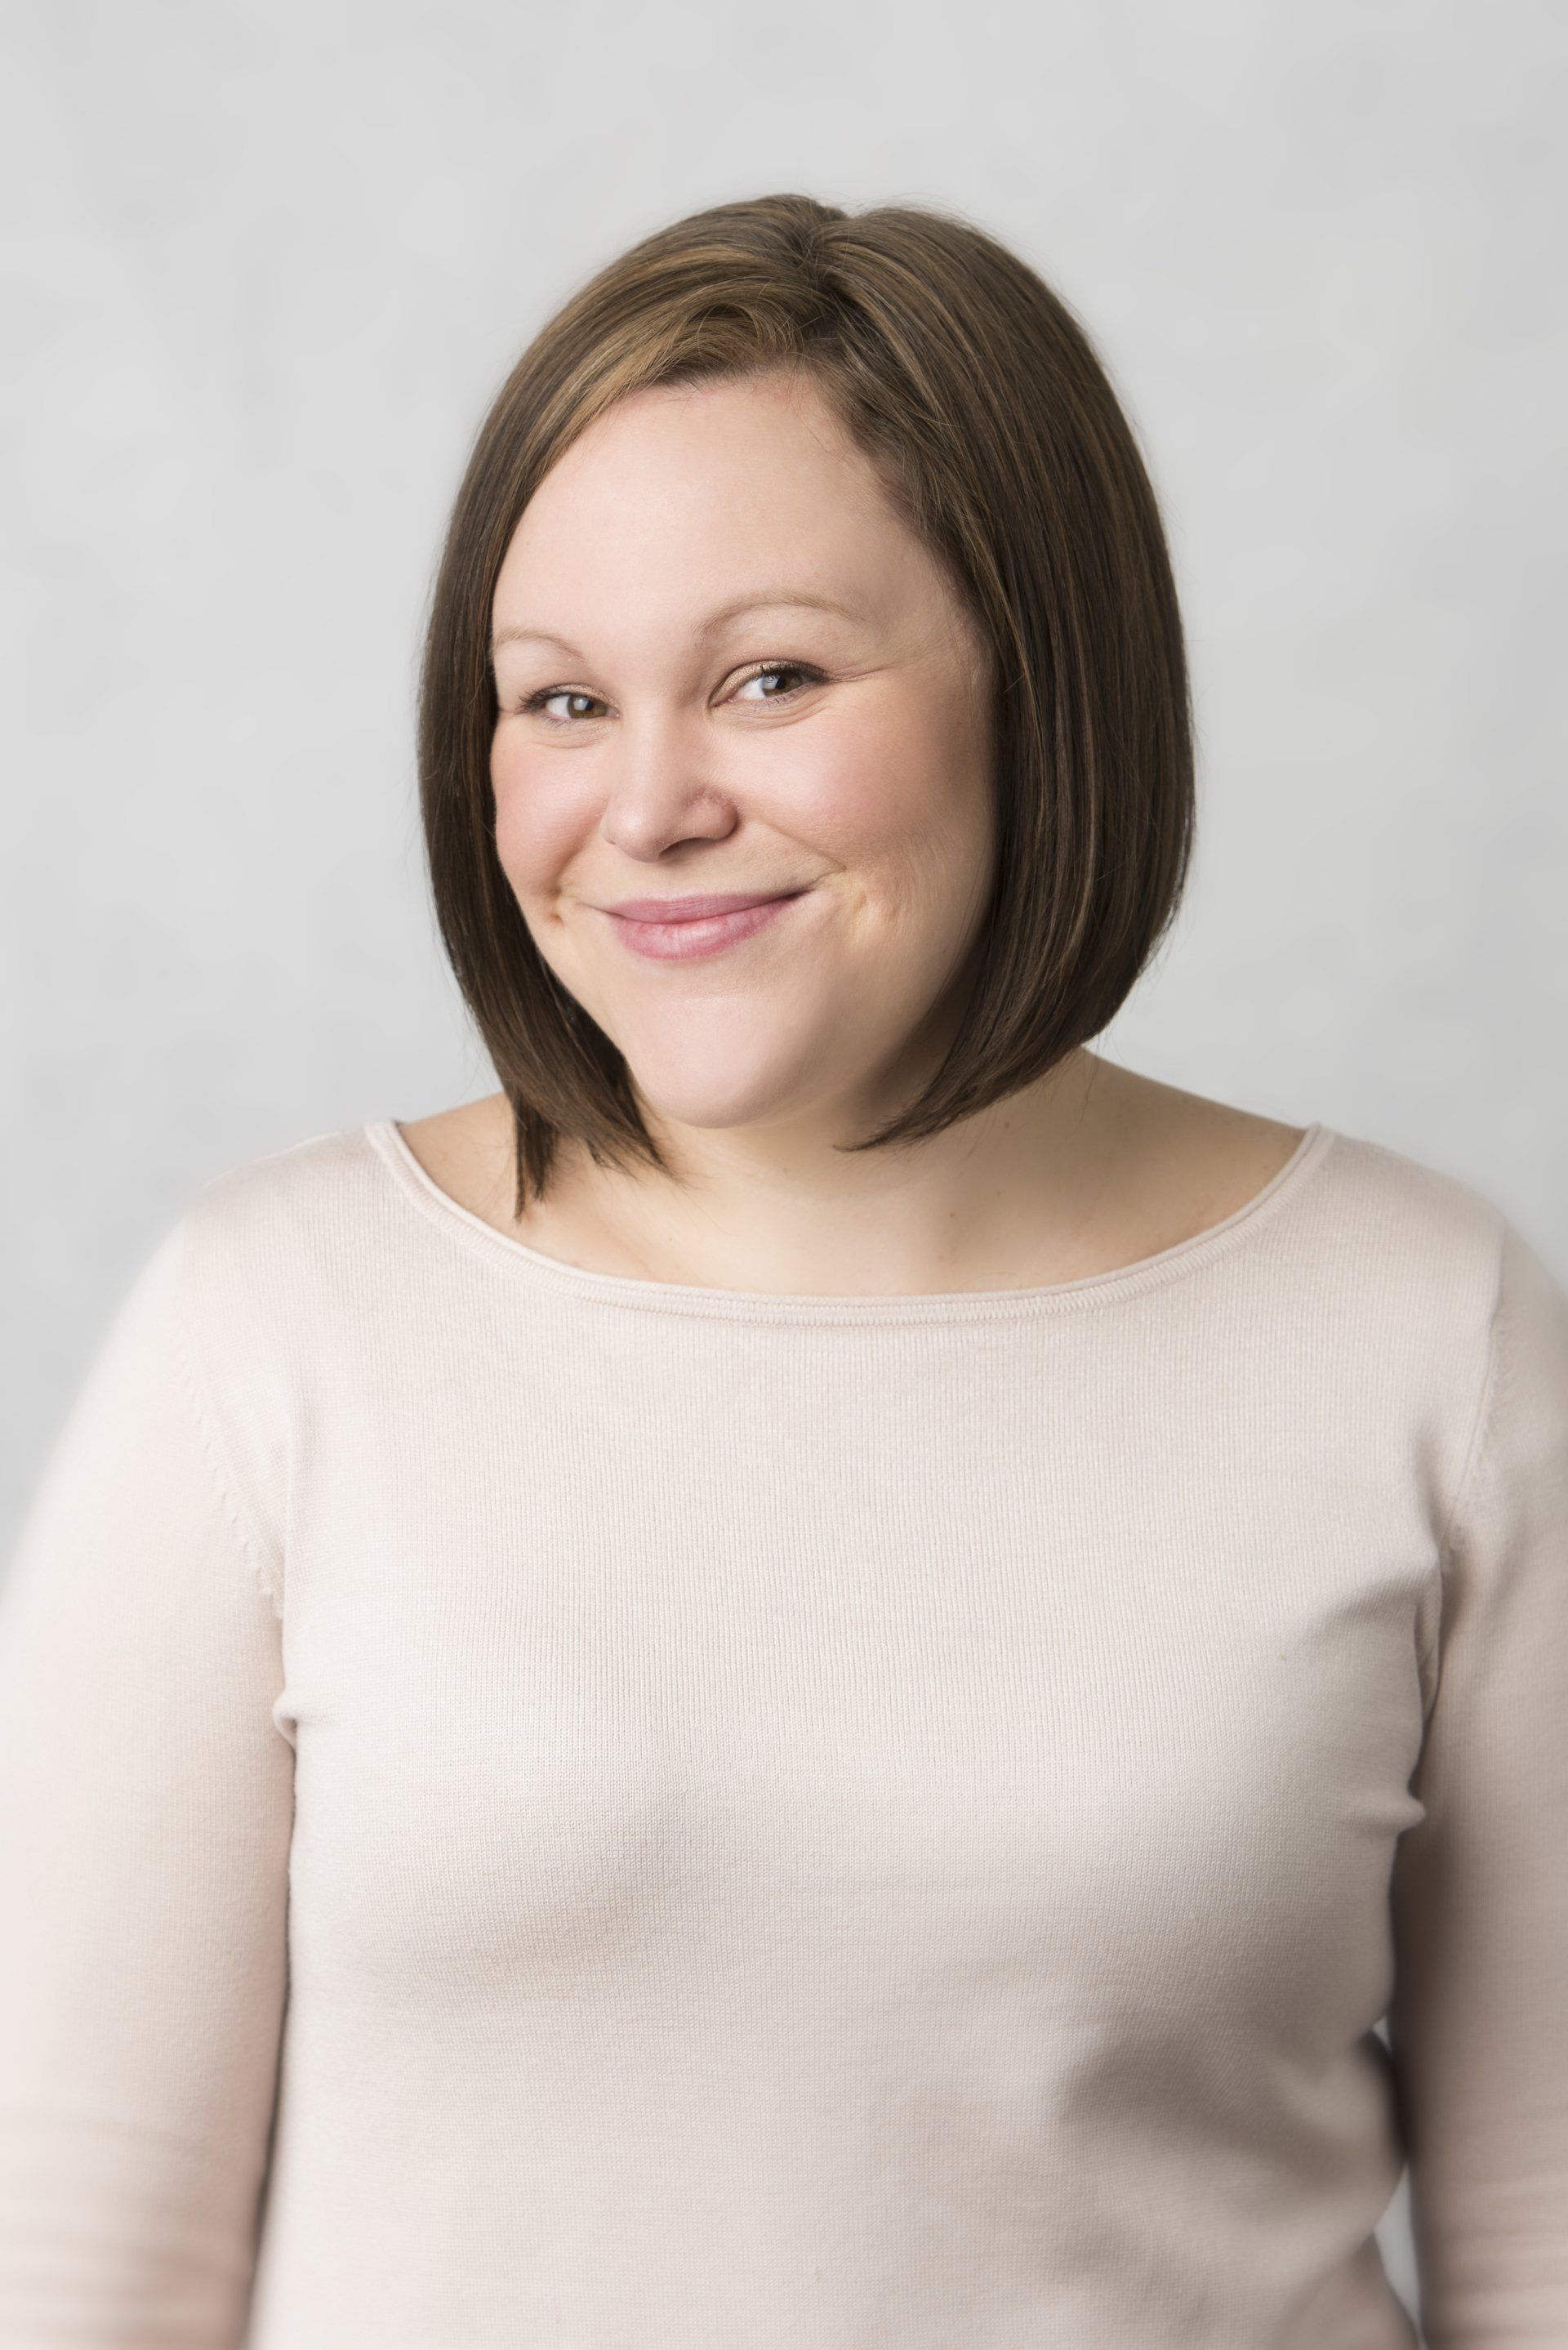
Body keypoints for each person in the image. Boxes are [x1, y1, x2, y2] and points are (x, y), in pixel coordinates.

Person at [0, 191, 1562, 2349]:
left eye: (772, 677)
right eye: (558, 701)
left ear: (1048, 683)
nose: (645, 805)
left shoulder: (1431, 1336)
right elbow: (74, 2266)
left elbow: (1547, 2241)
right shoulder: (279, 1325)